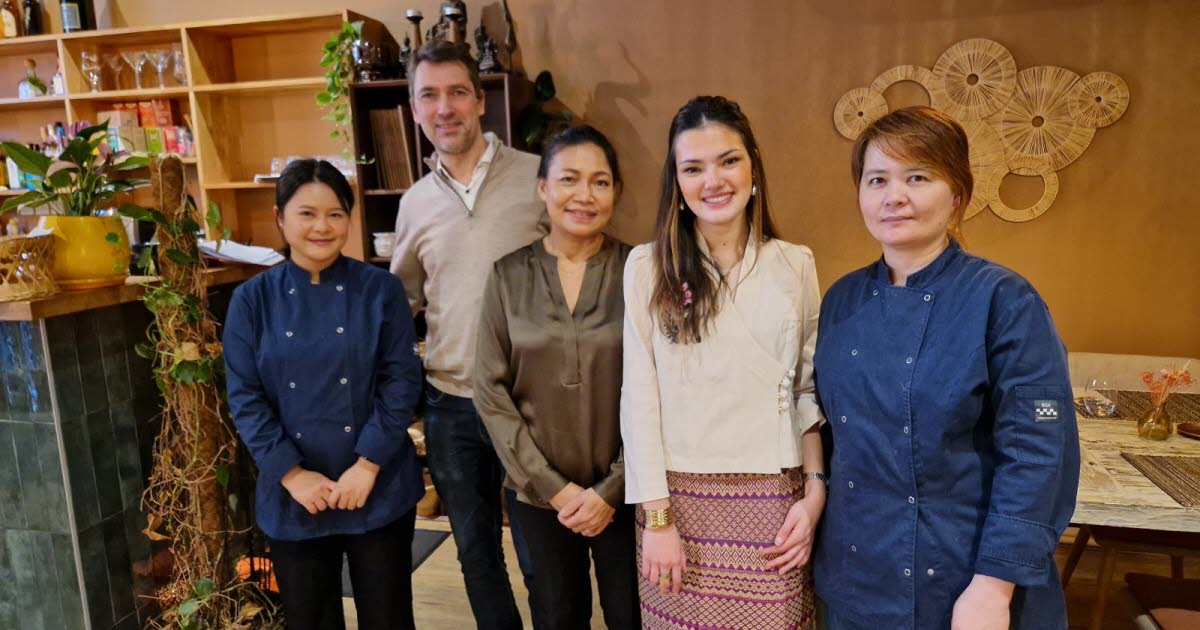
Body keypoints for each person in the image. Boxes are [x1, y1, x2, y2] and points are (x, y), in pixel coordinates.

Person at [813, 106, 1081, 629]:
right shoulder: (841, 300)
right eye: (877, 179)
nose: (894, 196)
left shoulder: (1004, 299)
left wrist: (992, 586)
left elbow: (1037, 452)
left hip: (963, 579)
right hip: (855, 575)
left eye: (917, 177)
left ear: (957, 193)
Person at [621, 96, 826, 629]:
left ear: (752, 166)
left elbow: (808, 391)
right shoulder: (647, 267)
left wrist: (815, 492)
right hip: (678, 503)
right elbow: (639, 399)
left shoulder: (794, 263)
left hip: (776, 499)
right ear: (677, 182)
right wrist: (658, 521)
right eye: (693, 167)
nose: (713, 180)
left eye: (728, 160)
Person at [224, 159, 424, 630]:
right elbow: (245, 396)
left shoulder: (381, 289)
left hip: (377, 487)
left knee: (388, 617)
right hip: (295, 495)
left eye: (335, 214)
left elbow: (402, 382)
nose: (322, 226)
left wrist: (368, 463)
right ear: (280, 218)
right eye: (306, 213)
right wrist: (292, 474)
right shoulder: (252, 300)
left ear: (349, 219)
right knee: (309, 618)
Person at [389, 39, 543, 629]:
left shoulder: (535, 178)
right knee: (477, 553)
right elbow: (402, 298)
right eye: (429, 95)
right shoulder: (414, 204)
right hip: (451, 405)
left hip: (530, 401)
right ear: (414, 109)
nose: (444, 107)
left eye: (457, 92)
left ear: (480, 101)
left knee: (539, 551)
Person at [475, 125, 639, 629]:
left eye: (600, 182)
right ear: (543, 187)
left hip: (628, 492)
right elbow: (490, 390)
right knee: (555, 614)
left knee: (632, 614)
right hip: (537, 495)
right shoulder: (507, 276)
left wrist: (611, 489)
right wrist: (556, 489)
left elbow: (668, 387)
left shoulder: (641, 269)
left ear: (615, 192)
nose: (584, 196)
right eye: (569, 179)